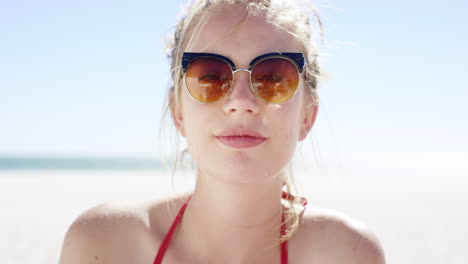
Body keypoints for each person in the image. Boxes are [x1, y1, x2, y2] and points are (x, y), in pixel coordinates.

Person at [59, 0, 385, 263]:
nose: (241, 102)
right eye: (210, 76)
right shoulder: (105, 246)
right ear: (179, 113)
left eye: (273, 77)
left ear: (307, 116)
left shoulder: (349, 254)